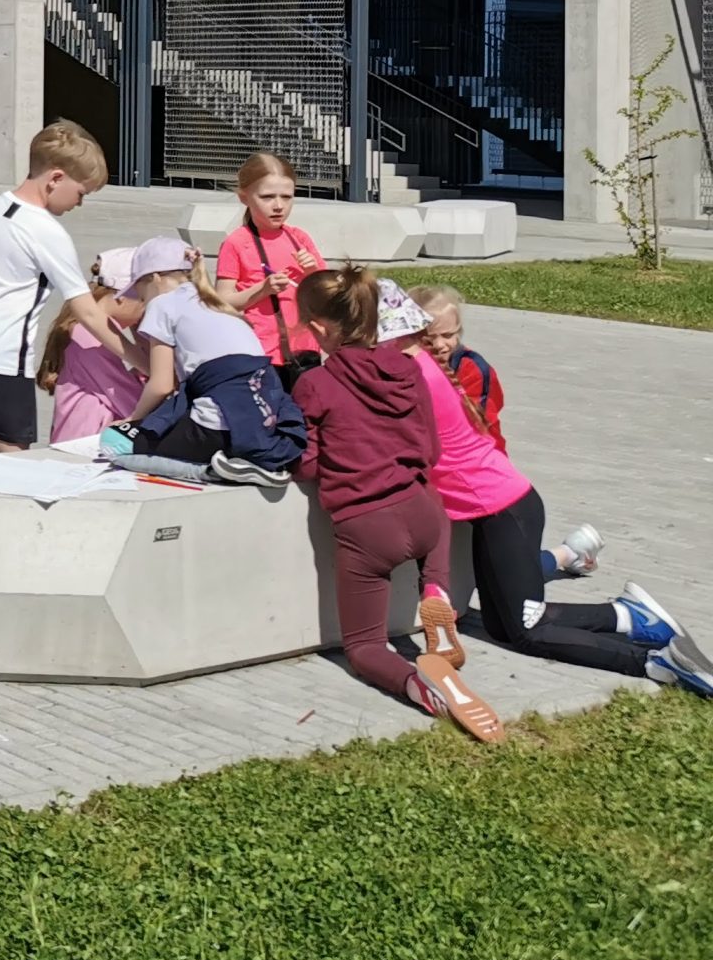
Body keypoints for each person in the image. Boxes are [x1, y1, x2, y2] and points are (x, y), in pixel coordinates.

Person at [376, 282, 713, 696]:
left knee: (527, 631)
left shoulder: (415, 371)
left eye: (448, 335)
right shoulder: (416, 365)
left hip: (506, 510)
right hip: (499, 509)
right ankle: (626, 616)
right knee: (502, 624)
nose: (442, 344)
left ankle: (656, 662)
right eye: (433, 337)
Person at [289, 270, 503, 741]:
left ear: (319, 328)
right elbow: (431, 452)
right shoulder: (411, 369)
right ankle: (436, 590)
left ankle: (419, 686)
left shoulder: (315, 384)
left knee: (364, 647)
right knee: (431, 499)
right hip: (423, 517)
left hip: (366, 528)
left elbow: (306, 465)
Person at [0, 120, 117, 470]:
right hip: (4, 359)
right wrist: (135, 356)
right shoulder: (46, 231)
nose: (79, 203)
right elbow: (86, 310)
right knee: (10, 460)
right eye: (82, 193)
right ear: (55, 178)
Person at [115, 236, 305, 486]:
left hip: (216, 426)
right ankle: (242, 461)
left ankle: (209, 471)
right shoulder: (218, 303)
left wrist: (133, 419)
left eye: (139, 290)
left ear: (155, 277)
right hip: (261, 424)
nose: (141, 300)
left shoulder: (162, 305)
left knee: (115, 442)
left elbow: (162, 385)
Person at [213, 152, 325, 371]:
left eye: (287, 197)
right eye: (267, 197)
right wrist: (262, 290)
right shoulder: (236, 243)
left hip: (306, 349)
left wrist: (313, 271)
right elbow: (222, 301)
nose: (278, 205)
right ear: (244, 197)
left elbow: (327, 292)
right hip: (261, 352)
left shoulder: (299, 238)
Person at [35, 248, 146, 446]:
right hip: (84, 445)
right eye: (145, 300)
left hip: (76, 438)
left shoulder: (83, 330)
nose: (148, 310)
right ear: (121, 296)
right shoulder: (92, 338)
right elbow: (130, 400)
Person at [410, 283, 508, 452]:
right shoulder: (399, 364)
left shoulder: (471, 369)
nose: (439, 345)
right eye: (429, 338)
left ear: (459, 331)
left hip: (472, 455)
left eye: (448, 335)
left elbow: (480, 428)